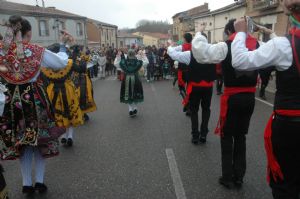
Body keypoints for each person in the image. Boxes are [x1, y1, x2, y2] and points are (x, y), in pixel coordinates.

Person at [231, 1, 300, 197]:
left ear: (291, 12)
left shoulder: (283, 45)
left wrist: (241, 33)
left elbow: (240, 61)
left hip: (290, 126)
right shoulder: (282, 44)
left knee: (285, 183)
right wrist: (268, 32)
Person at [0, 15, 70, 195]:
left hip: (12, 103)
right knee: (38, 141)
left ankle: (26, 183)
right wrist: (63, 45)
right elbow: (60, 62)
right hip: (34, 100)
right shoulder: (36, 50)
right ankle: (39, 181)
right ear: (28, 33)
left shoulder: (2, 51)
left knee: (23, 144)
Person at [168, 34, 216, 145]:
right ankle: (203, 133)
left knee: (194, 111)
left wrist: (171, 46)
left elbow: (173, 54)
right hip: (208, 87)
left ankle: (195, 135)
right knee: (206, 109)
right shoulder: (213, 54)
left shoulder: (190, 54)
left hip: (195, 87)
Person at [40, 43, 84, 147]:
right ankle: (70, 136)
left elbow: (43, 82)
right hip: (68, 90)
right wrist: (80, 56)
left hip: (52, 91)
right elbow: (81, 69)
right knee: (70, 111)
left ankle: (63, 136)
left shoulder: (45, 67)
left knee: (57, 113)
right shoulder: (68, 63)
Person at [72, 45, 97, 122]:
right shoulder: (80, 58)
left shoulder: (73, 57)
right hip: (82, 79)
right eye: (84, 49)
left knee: (77, 95)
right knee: (83, 95)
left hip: (74, 79)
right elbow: (83, 68)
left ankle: (79, 113)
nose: (85, 50)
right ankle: (82, 113)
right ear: (80, 50)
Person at [119, 50, 144, 117]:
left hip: (126, 78)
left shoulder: (124, 62)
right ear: (134, 54)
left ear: (128, 55)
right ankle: (135, 108)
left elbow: (120, 63)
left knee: (128, 93)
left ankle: (130, 109)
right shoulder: (137, 62)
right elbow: (141, 63)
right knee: (135, 93)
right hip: (135, 78)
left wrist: (121, 56)